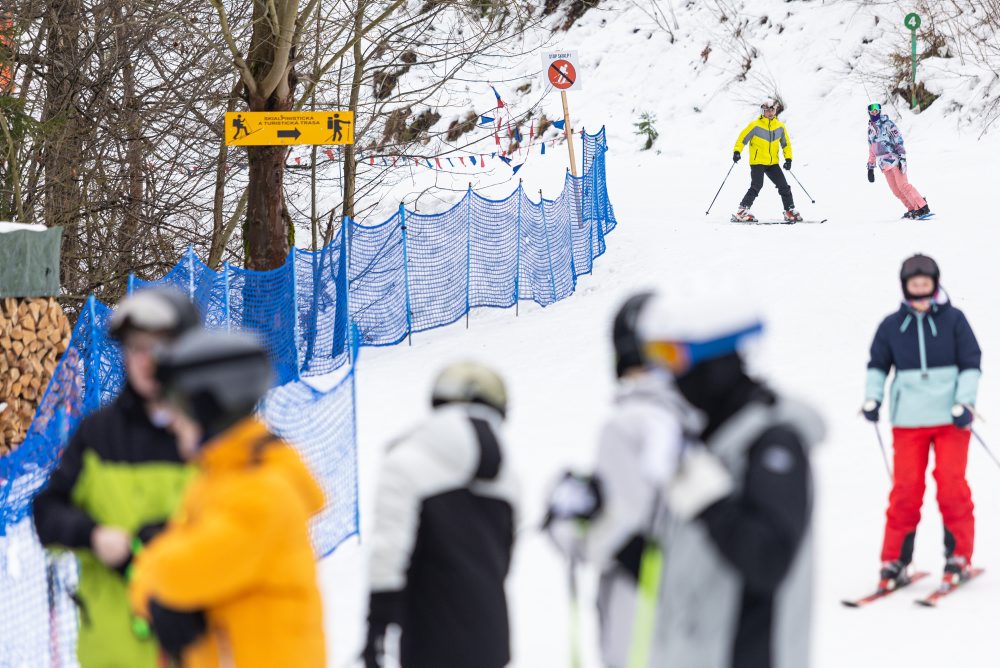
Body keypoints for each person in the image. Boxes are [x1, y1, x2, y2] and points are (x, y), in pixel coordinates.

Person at [640, 291, 824, 668]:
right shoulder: (708, 443)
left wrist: (711, 504)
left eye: (673, 356)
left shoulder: (774, 443)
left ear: (716, 362)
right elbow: (686, 571)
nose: (667, 375)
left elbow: (768, 559)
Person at [128, 329, 326, 667]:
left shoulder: (261, 493)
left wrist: (154, 571)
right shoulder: (215, 481)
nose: (172, 421)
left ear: (208, 409)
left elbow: (172, 574)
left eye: (178, 407)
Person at [32, 288, 201, 667]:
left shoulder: (211, 433)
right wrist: (92, 535)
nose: (147, 359)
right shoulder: (98, 435)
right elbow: (47, 512)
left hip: (197, 650)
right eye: (137, 347)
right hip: (112, 653)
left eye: (161, 346)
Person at [543, 292, 692, 668]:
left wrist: (565, 523)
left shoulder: (627, 426)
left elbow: (614, 530)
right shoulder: (695, 416)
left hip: (639, 623)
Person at [363, 362, 519, 668]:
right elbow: (505, 561)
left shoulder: (404, 463)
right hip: (492, 642)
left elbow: (389, 550)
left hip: (429, 642)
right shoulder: (507, 477)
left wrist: (377, 628)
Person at [862, 254, 980, 591]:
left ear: (935, 284)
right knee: (906, 490)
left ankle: (958, 556)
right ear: (905, 287)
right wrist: (873, 398)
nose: (920, 291)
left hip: (950, 420)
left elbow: (971, 363)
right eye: (914, 285)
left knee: (951, 485)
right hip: (909, 421)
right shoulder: (891, 325)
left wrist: (964, 402)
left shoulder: (954, 320)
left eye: (925, 284)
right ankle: (895, 561)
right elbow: (877, 365)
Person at [731, 99, 802, 223]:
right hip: (757, 162)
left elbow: (786, 144)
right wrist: (737, 151)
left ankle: (789, 210)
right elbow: (742, 138)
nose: (770, 112)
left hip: (772, 163)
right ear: (762, 111)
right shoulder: (755, 125)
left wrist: (788, 159)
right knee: (756, 185)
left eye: (772, 110)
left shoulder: (780, 126)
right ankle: (742, 210)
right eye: (767, 110)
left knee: (784, 186)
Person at [866, 103, 930, 219]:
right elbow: (871, 149)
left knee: (903, 185)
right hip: (884, 165)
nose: (874, 112)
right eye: (872, 110)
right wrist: (870, 167)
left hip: (895, 160)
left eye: (877, 109)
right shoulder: (870, 130)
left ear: (880, 110)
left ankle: (922, 206)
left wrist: (902, 157)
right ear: (869, 112)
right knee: (896, 191)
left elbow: (898, 140)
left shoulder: (887, 124)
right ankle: (912, 208)